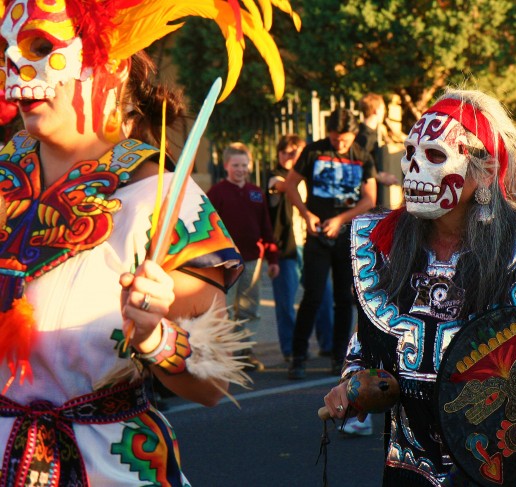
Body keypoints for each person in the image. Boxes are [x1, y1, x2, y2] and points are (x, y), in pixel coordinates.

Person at [0, 0, 297, 484]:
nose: (15, 64)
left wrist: (156, 338)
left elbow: (212, 383)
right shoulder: (4, 174)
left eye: (40, 46)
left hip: (109, 465)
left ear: (109, 65)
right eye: (6, 49)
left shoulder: (163, 198)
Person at [322, 89, 516, 486]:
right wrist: (353, 384)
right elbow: (368, 338)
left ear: (485, 172)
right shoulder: (378, 242)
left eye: (435, 156)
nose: (413, 167)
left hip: (512, 463)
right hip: (411, 465)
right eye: (409, 153)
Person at [285, 108, 377, 379]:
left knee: (343, 299)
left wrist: (340, 220)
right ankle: (298, 356)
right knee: (311, 297)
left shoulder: (362, 156)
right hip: (317, 237)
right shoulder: (313, 151)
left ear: (354, 135)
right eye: (336, 139)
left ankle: (340, 357)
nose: (340, 144)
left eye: (345, 139)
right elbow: (290, 185)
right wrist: (306, 213)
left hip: (346, 236)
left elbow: (369, 200)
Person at [207, 142, 280, 371]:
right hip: (225, 261)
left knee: (249, 308)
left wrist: (273, 258)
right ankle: (224, 355)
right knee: (225, 309)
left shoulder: (256, 193)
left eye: (244, 165)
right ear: (226, 166)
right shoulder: (216, 193)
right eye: (236, 165)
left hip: (252, 260)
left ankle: (245, 352)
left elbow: (265, 227)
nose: (241, 169)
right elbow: (208, 226)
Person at [267, 134, 334, 361]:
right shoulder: (274, 176)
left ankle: (329, 343)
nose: (289, 156)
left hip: (313, 245)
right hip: (287, 248)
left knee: (324, 295)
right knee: (286, 302)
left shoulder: (310, 177)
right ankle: (290, 349)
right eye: (285, 152)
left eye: (295, 152)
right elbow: (283, 186)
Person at [356, 93, 400, 205]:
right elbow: (360, 166)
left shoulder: (372, 133)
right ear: (376, 110)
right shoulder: (364, 137)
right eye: (383, 109)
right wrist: (381, 177)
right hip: (365, 197)